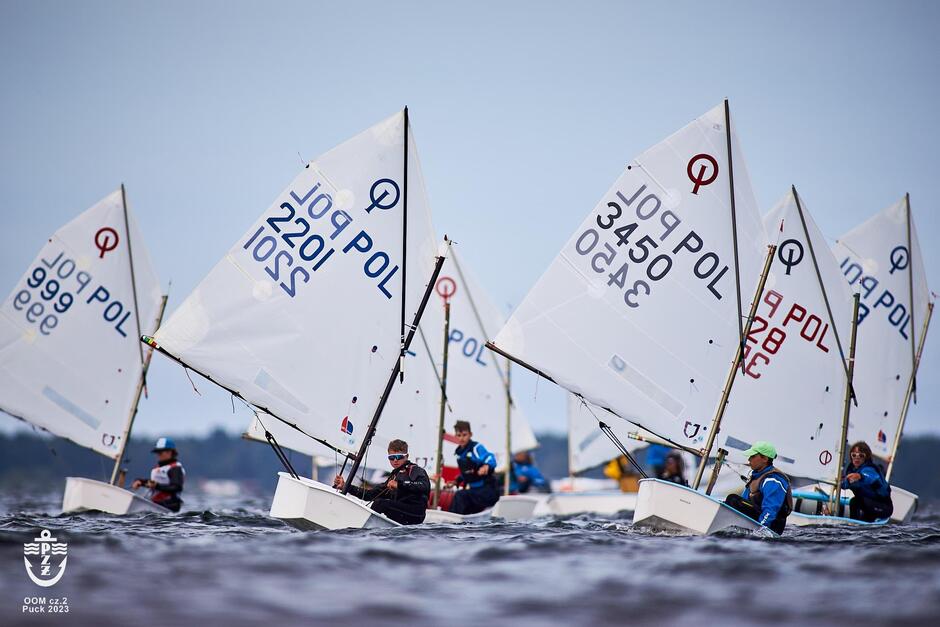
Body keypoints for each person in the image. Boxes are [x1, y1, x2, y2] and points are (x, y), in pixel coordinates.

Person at [333, 439, 430, 525]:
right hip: (401, 514)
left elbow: (424, 486)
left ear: (406, 456)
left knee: (381, 504)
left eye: (399, 457)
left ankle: (366, 529)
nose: (395, 460)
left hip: (416, 514)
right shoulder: (393, 476)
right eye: (392, 457)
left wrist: (399, 485)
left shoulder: (415, 470)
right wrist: (346, 486)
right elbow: (369, 495)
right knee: (377, 501)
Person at [724, 441, 792, 534]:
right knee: (729, 502)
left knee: (733, 499)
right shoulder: (756, 476)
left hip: (771, 526)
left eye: (752, 456)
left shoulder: (774, 480)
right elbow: (745, 500)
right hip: (759, 519)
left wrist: (760, 531)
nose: (749, 459)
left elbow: (770, 510)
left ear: (764, 458)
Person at [447, 420, 499, 515]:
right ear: (455, 436)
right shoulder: (459, 454)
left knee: (460, 495)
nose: (462, 438)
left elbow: (490, 457)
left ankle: (451, 522)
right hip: (475, 492)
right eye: (459, 435)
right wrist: (456, 481)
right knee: (462, 500)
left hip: (488, 492)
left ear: (470, 434)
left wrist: (486, 466)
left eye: (464, 435)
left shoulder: (476, 448)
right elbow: (468, 473)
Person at [841, 441, 893, 522]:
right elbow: (844, 486)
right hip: (866, 505)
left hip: (884, 507)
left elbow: (873, 479)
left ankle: (860, 523)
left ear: (866, 457)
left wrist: (861, 476)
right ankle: (853, 524)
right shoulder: (851, 471)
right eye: (854, 455)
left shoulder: (870, 469)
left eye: (861, 455)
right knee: (855, 501)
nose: (857, 458)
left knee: (856, 501)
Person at [131, 437, 185, 512]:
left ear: (169, 452)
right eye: (157, 452)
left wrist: (157, 486)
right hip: (157, 504)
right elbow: (155, 484)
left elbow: (176, 487)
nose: (158, 455)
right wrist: (141, 482)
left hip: (169, 506)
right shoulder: (160, 467)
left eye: (160, 452)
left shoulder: (175, 468)